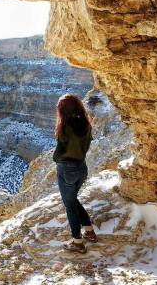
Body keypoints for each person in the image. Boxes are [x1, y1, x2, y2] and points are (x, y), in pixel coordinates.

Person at [53, 93, 97, 254]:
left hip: (66, 169)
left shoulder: (65, 126)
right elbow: (86, 147)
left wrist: (55, 159)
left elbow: (59, 151)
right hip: (81, 167)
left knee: (70, 205)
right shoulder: (86, 124)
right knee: (73, 200)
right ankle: (90, 231)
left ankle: (77, 242)